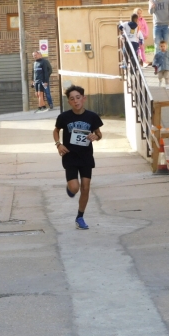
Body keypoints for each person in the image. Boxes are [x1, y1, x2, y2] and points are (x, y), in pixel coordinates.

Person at [53, 85, 103, 230]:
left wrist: (96, 136)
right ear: (69, 102)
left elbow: (99, 134)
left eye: (78, 98)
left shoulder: (92, 116)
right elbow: (56, 131)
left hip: (86, 156)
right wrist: (58, 144)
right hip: (70, 156)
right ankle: (71, 188)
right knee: (75, 188)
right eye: (72, 99)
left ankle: (80, 217)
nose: (76, 101)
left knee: (86, 188)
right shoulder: (64, 117)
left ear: (84, 98)